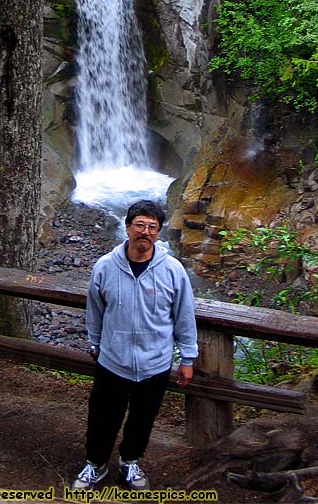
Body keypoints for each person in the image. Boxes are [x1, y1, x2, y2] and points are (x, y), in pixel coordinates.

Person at [71, 199, 198, 492]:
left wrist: (188, 358)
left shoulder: (173, 270)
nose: (146, 232)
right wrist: (95, 344)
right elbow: (95, 310)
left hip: (155, 361)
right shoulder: (105, 266)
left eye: (152, 227)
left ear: (158, 233)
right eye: (140, 225)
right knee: (102, 417)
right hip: (113, 360)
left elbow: (184, 315)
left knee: (143, 419)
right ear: (127, 228)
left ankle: (130, 461)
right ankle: (96, 463)